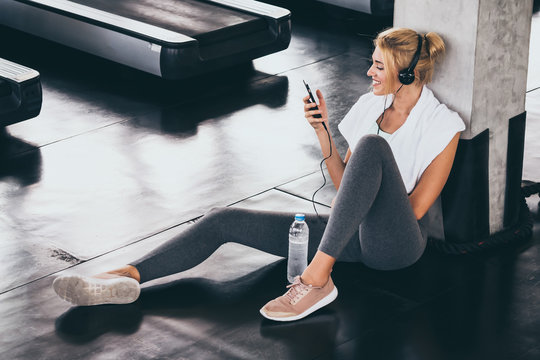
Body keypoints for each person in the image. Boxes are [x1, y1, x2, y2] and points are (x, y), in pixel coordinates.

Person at [53, 27, 465, 322]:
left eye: (378, 66)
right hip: (352, 237)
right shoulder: (369, 106)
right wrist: (323, 134)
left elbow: (412, 212)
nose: (369, 73)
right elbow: (346, 187)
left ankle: (317, 279)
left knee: (374, 147)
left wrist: (356, 204)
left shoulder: (442, 125)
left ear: (407, 73)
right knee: (223, 218)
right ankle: (127, 276)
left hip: (397, 248)